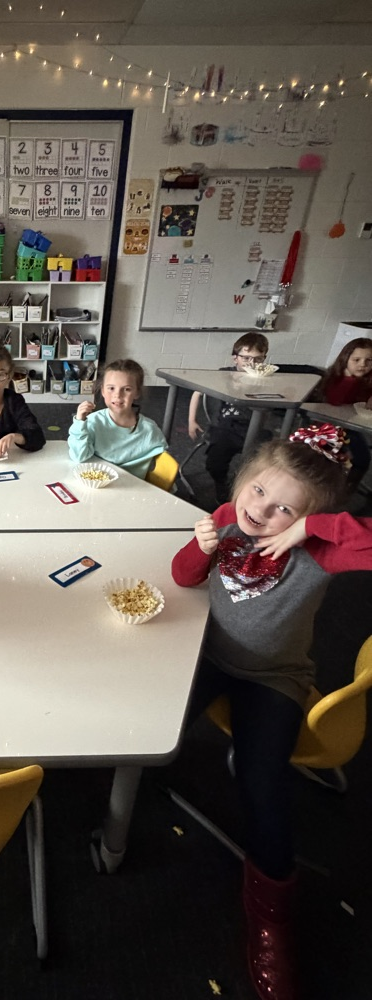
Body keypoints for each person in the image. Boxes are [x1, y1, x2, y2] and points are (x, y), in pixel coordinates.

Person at [171, 430, 372, 1000]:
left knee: (264, 787)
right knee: (154, 728)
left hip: (272, 677)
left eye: (285, 508)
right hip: (206, 654)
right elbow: (184, 576)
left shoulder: (320, 548)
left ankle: (271, 923)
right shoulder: (229, 517)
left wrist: (314, 528)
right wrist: (203, 546)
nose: (261, 511)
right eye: (258, 490)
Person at [188, 332, 271, 505]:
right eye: (246, 358)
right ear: (235, 358)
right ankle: (221, 484)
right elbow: (197, 392)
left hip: (253, 426)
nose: (251, 364)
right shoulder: (224, 375)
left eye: (258, 359)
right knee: (215, 461)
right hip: (224, 426)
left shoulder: (266, 378)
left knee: (268, 460)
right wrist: (191, 421)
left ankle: (250, 488)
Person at [68, 358, 166, 479]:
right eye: (111, 388)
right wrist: (79, 422)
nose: (117, 395)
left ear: (137, 392)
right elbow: (79, 457)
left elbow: (165, 465)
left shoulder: (149, 430)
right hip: (97, 484)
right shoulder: (93, 422)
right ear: (103, 391)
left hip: (132, 487)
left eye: (127, 389)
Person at [317, 336, 372, 489]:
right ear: (345, 359)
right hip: (330, 426)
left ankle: (348, 489)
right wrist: (348, 379)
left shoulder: (367, 380)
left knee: (362, 459)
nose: (363, 364)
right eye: (356, 360)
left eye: (369, 360)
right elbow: (335, 402)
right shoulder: (338, 379)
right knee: (333, 460)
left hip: (353, 426)